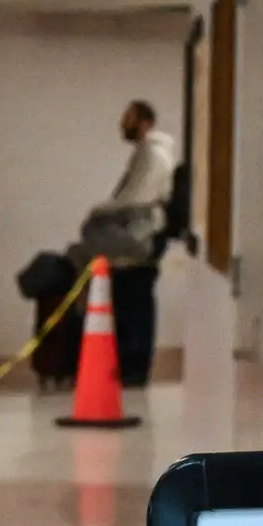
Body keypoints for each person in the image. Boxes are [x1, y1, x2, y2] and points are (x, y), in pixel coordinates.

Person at [84, 99, 179, 391]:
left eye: (129, 118)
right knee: (127, 301)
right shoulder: (145, 153)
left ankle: (135, 367)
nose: (122, 124)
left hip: (140, 239)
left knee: (135, 303)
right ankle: (128, 363)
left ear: (145, 122)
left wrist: (102, 211)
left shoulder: (153, 154)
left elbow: (138, 197)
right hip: (136, 239)